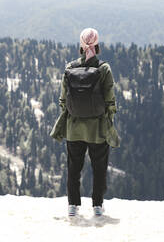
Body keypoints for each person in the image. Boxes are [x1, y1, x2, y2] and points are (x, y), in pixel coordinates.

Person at [50, 28, 120, 218]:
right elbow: (110, 100)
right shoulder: (104, 69)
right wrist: (108, 121)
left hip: (74, 129)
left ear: (81, 46)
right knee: (98, 169)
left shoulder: (70, 68)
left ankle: (73, 206)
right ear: (97, 46)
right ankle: (97, 206)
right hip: (97, 129)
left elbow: (63, 100)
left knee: (74, 167)